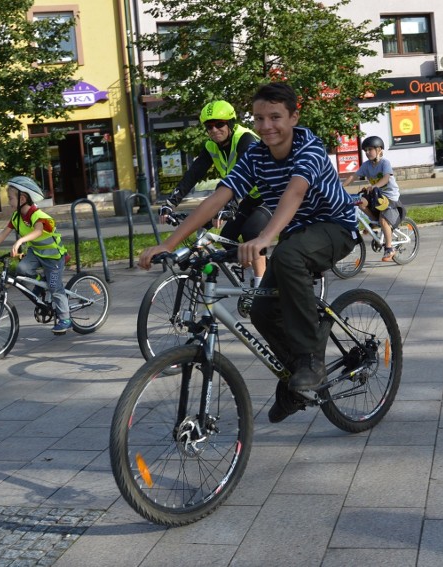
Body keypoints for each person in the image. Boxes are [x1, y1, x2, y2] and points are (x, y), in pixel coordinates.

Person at [138, 82, 357, 423]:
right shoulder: (255, 155)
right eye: (259, 118)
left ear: (294, 117)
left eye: (275, 117)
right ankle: (295, 383)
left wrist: (265, 237)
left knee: (287, 257)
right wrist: (170, 244)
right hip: (298, 234)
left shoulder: (308, 147)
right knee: (262, 311)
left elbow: (294, 194)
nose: (267, 126)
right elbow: (217, 198)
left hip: (336, 227)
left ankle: (311, 361)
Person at [157, 100, 270, 286]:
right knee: (228, 238)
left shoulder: (245, 139)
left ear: (231, 123)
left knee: (251, 232)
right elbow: (193, 174)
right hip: (248, 197)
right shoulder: (211, 146)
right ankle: (264, 269)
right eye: (209, 127)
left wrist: (230, 206)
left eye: (219, 124)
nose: (214, 130)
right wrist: (170, 203)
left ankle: (261, 287)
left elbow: (243, 174)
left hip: (268, 195)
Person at [0, 177, 71, 334]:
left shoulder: (36, 215)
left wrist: (20, 240)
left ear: (22, 198)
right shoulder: (16, 217)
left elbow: (38, 231)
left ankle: (65, 318)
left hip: (53, 256)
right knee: (22, 268)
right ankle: (41, 286)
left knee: (55, 287)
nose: (9, 202)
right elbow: (2, 235)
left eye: (11, 198)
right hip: (36, 253)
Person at [343, 136, 401, 261]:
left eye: (370, 149)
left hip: (389, 195)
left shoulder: (385, 163)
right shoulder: (366, 165)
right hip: (376, 194)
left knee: (384, 220)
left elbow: (386, 178)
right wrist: (340, 187)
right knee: (360, 202)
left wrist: (374, 185)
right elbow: (353, 177)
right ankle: (374, 223)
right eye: (366, 150)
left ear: (379, 150)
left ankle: (389, 248)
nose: (367, 152)